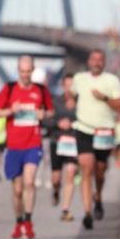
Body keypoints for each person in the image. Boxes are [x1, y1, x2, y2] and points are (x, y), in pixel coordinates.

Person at [0, 55, 53, 239]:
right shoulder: (9, 89)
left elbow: (50, 111)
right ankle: (18, 221)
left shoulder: (41, 90)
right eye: (22, 72)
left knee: (29, 182)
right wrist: (11, 110)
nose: (25, 75)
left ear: (32, 71)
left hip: (33, 144)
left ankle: (28, 220)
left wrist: (44, 114)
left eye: (28, 72)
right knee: (17, 190)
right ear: (18, 71)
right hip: (13, 147)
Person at [71, 49, 120, 230]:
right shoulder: (79, 79)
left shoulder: (112, 81)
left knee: (100, 170)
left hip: (104, 130)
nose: (96, 62)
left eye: (100, 60)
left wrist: (104, 98)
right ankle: (87, 212)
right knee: (86, 167)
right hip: (84, 128)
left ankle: (98, 197)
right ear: (88, 61)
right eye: (93, 59)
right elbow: (71, 95)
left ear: (104, 62)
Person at [45, 74, 82, 221]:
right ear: (63, 85)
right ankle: (55, 190)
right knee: (56, 177)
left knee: (71, 173)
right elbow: (46, 120)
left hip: (74, 142)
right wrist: (58, 123)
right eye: (67, 85)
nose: (70, 88)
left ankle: (65, 209)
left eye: (72, 85)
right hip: (57, 141)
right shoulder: (55, 101)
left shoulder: (82, 102)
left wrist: (73, 124)